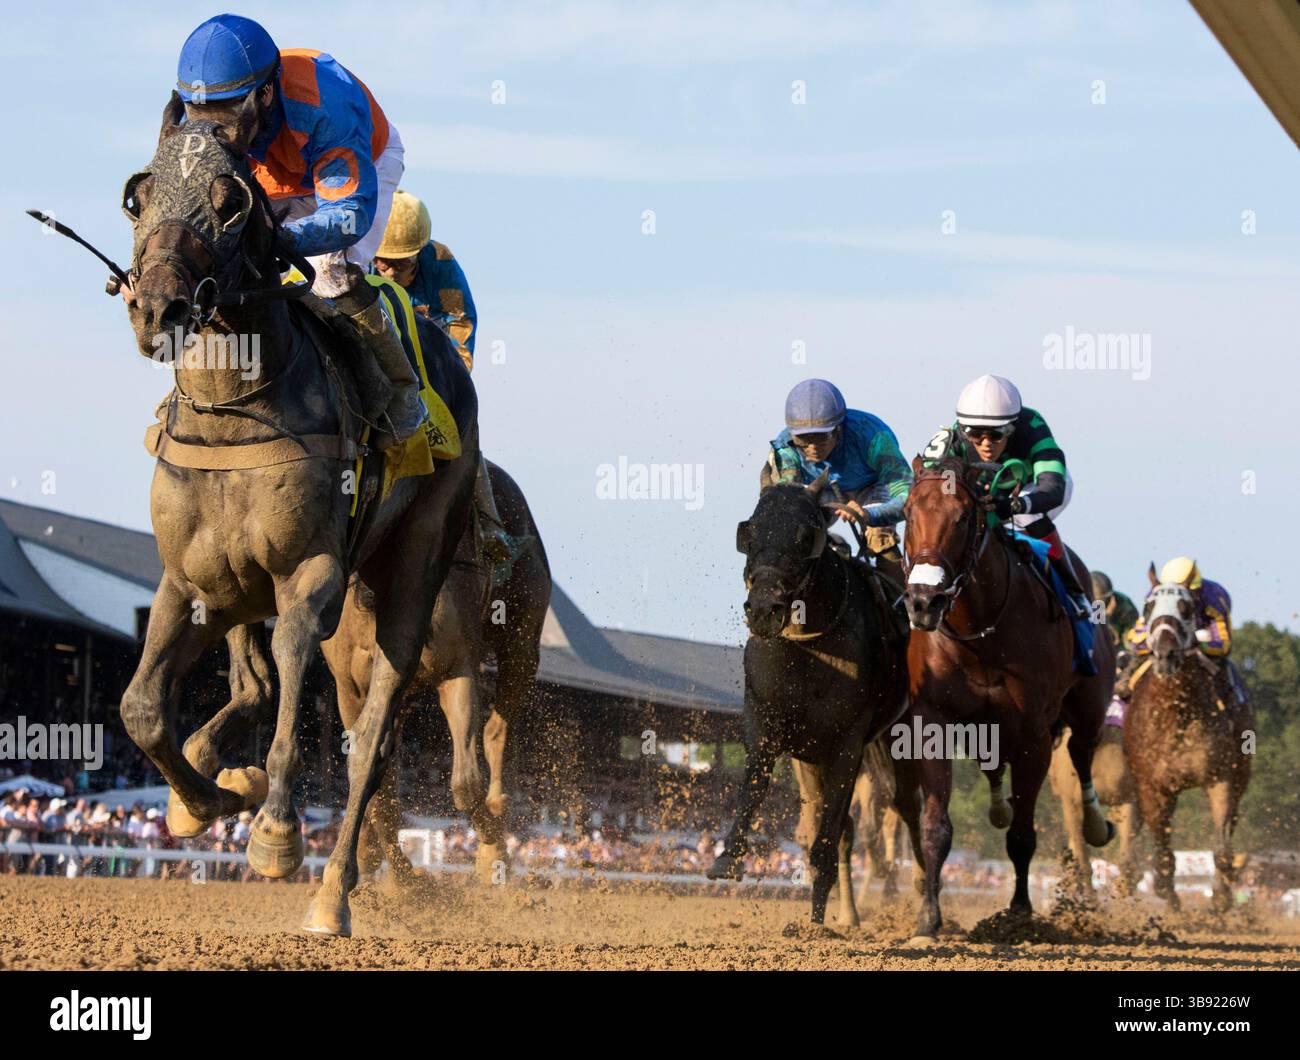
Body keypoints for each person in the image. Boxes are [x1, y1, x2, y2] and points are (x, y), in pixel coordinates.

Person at [172, 14, 423, 444]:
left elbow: (350, 214)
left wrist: (283, 239)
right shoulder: (199, 123)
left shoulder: (326, 104)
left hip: (359, 172)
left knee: (329, 274)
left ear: (265, 94)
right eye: (199, 116)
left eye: (226, 117)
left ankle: (397, 390)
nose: (212, 133)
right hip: (274, 177)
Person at [371, 189, 520, 569]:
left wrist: (451, 380)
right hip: (374, 367)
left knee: (465, 430)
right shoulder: (358, 257)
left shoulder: (442, 262)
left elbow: (461, 322)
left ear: (419, 253)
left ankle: (489, 525)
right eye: (384, 263)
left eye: (400, 264)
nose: (389, 272)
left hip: (429, 374)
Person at [951, 373, 1090, 617]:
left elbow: (1052, 489)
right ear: (964, 431)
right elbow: (939, 488)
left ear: (1012, 428)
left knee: (1029, 518)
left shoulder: (1032, 426)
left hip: (1033, 488)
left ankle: (1073, 590)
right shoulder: (953, 439)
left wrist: (1015, 506)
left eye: (996, 434)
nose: (985, 444)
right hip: (987, 490)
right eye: (976, 434)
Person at [763, 378, 912, 584]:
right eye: (803, 439)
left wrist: (870, 514)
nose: (812, 447)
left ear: (839, 429)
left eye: (821, 437)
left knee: (880, 538)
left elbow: (909, 498)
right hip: (819, 490)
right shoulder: (785, 448)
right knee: (792, 534)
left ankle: (901, 608)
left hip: (872, 487)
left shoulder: (874, 437)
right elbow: (786, 507)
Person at [1125, 557, 1249, 706]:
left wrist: (1197, 642)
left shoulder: (1214, 596)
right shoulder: (1155, 595)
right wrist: (1155, 642)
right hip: (1168, 644)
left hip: (1202, 638)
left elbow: (1223, 644)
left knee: (1224, 672)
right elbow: (1135, 640)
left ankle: (1236, 705)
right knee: (1132, 667)